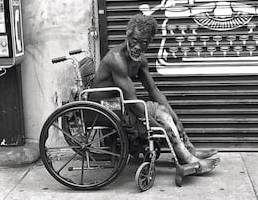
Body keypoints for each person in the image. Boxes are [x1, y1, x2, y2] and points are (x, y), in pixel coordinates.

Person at [90, 13, 220, 174]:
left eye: (143, 43)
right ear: (127, 35)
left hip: (121, 102)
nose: (137, 47)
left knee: (165, 113)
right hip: (106, 106)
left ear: (150, 41)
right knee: (161, 119)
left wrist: (176, 119)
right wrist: (158, 128)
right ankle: (188, 159)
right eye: (134, 40)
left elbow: (153, 90)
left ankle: (189, 150)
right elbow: (132, 101)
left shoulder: (140, 59)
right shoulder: (116, 59)